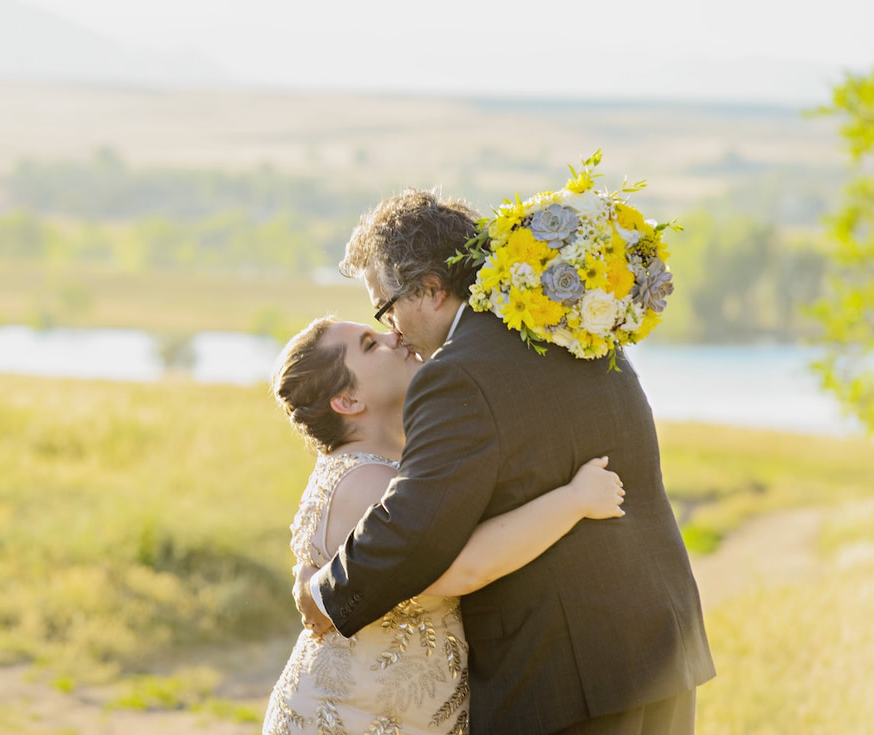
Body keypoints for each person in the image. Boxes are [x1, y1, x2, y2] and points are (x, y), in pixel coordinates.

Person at [295, 190, 715, 735]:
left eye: (386, 306)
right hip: (661, 647)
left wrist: (325, 592)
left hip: (565, 674)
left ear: (429, 288)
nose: (392, 330)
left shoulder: (458, 373)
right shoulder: (570, 328)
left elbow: (415, 527)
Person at [264, 316, 628, 735]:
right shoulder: (364, 483)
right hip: (352, 722)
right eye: (370, 343)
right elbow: (465, 568)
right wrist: (575, 500)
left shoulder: (382, 470)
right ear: (347, 401)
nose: (394, 334)